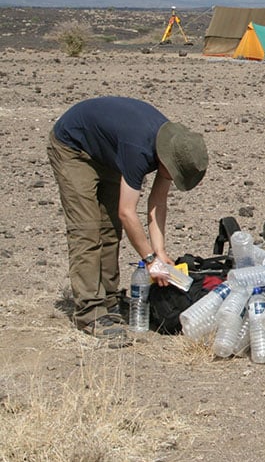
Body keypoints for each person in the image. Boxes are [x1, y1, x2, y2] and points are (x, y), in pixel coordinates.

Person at [47, 96, 208, 341]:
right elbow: (127, 212)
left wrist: (160, 250)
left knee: (110, 229)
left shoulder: (171, 145)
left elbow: (157, 202)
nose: (172, 178)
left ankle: (109, 302)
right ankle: (90, 313)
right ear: (166, 160)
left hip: (107, 153)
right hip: (73, 147)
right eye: (175, 174)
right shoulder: (139, 150)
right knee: (88, 231)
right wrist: (150, 259)